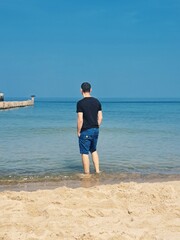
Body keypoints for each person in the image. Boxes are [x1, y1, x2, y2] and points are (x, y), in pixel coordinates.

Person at [76, 82, 103, 174]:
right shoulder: (97, 101)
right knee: (94, 150)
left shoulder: (80, 103)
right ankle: (97, 171)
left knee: (84, 152)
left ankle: (87, 173)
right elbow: (100, 117)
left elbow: (80, 120)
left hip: (86, 130)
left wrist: (78, 131)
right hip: (95, 129)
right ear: (90, 90)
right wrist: (97, 126)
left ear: (81, 90)